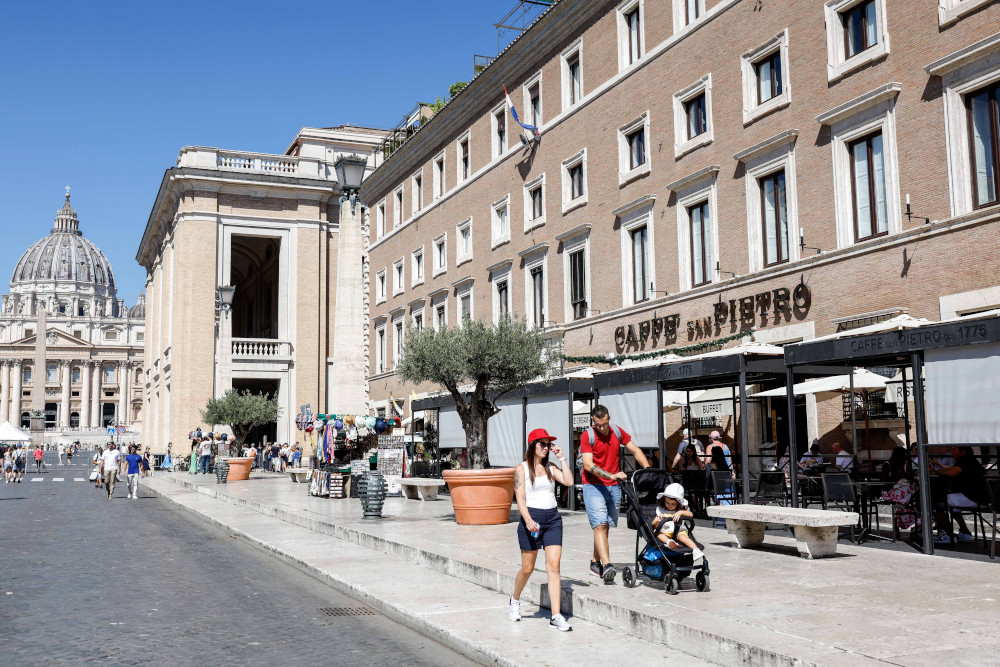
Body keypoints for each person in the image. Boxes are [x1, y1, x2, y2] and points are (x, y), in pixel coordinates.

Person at [509, 428, 574, 632]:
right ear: (532, 445)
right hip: (532, 520)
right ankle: (514, 600)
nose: (546, 448)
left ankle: (556, 615)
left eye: (548, 444)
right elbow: (519, 499)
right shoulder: (521, 469)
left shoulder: (551, 467)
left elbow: (569, 481)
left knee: (554, 566)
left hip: (553, 519)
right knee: (528, 568)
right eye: (543, 444)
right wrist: (527, 519)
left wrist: (562, 458)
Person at [580, 404, 650, 583]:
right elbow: (588, 465)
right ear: (592, 421)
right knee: (600, 524)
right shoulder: (587, 436)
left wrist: (649, 470)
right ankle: (607, 565)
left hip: (614, 486)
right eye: (598, 425)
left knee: (605, 526)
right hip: (594, 485)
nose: (602, 428)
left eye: (604, 424)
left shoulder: (617, 432)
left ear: (609, 418)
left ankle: (596, 563)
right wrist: (610, 474)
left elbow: (635, 450)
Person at [931, 447, 988, 544]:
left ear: (963, 452)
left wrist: (935, 471)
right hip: (978, 498)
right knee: (952, 504)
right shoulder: (971, 461)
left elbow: (952, 472)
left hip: (973, 498)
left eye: (954, 450)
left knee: (934, 502)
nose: (952, 452)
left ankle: (948, 535)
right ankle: (965, 532)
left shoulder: (966, 461)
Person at [652, 483, 704, 561]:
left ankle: (696, 550)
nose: (669, 505)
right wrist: (656, 520)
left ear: (678, 503)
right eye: (667, 503)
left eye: (673, 504)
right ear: (664, 500)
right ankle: (669, 542)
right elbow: (653, 525)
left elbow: (691, 514)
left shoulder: (680, 510)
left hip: (679, 531)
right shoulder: (661, 510)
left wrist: (680, 513)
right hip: (666, 532)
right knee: (656, 531)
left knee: (683, 537)